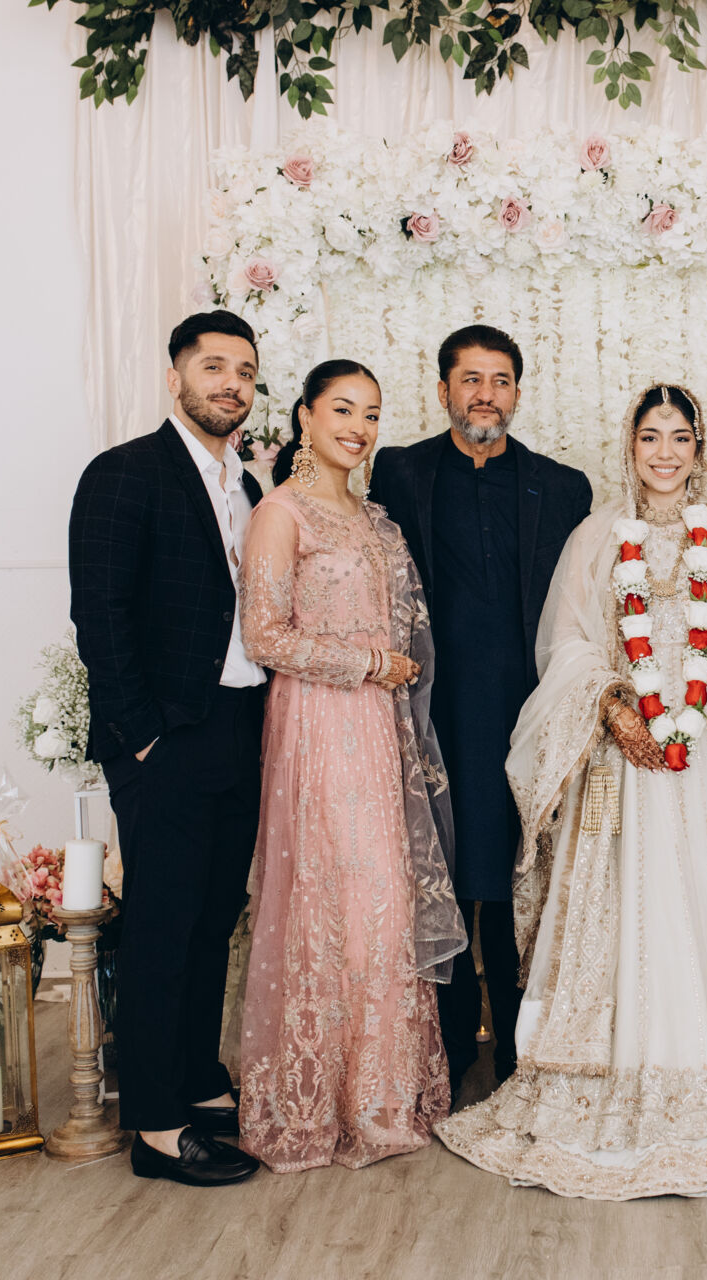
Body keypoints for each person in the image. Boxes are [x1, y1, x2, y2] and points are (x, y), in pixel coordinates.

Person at [435, 384, 707, 1199]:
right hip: (626, 741)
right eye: (651, 437)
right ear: (631, 445)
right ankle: (615, 1075)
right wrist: (615, 708)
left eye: (680, 437)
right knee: (634, 894)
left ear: (699, 447)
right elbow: (567, 646)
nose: (666, 453)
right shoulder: (599, 534)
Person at [234, 361, 466, 1171]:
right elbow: (264, 636)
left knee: (385, 903)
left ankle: (382, 1096)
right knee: (329, 901)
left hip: (378, 728)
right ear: (305, 416)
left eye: (370, 414)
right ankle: (315, 1103)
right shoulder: (280, 513)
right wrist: (367, 663)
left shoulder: (374, 520)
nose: (358, 428)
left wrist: (387, 676)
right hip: (317, 724)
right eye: (342, 410)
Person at [68, 310, 268, 1186]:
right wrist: (141, 736)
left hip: (239, 726)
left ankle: (194, 1085)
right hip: (167, 738)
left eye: (244, 371)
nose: (231, 383)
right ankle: (155, 1127)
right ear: (175, 376)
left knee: (211, 923)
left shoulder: (249, 485)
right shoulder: (124, 473)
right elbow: (99, 615)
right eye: (213, 366)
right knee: (160, 928)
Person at [368, 325, 593, 1100]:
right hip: (435, 704)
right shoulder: (400, 472)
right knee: (444, 857)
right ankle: (452, 1034)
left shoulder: (561, 486)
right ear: (444, 391)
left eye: (499, 380)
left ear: (518, 393)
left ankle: (523, 1039)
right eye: (471, 379)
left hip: (527, 706)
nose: (485, 394)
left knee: (511, 863)